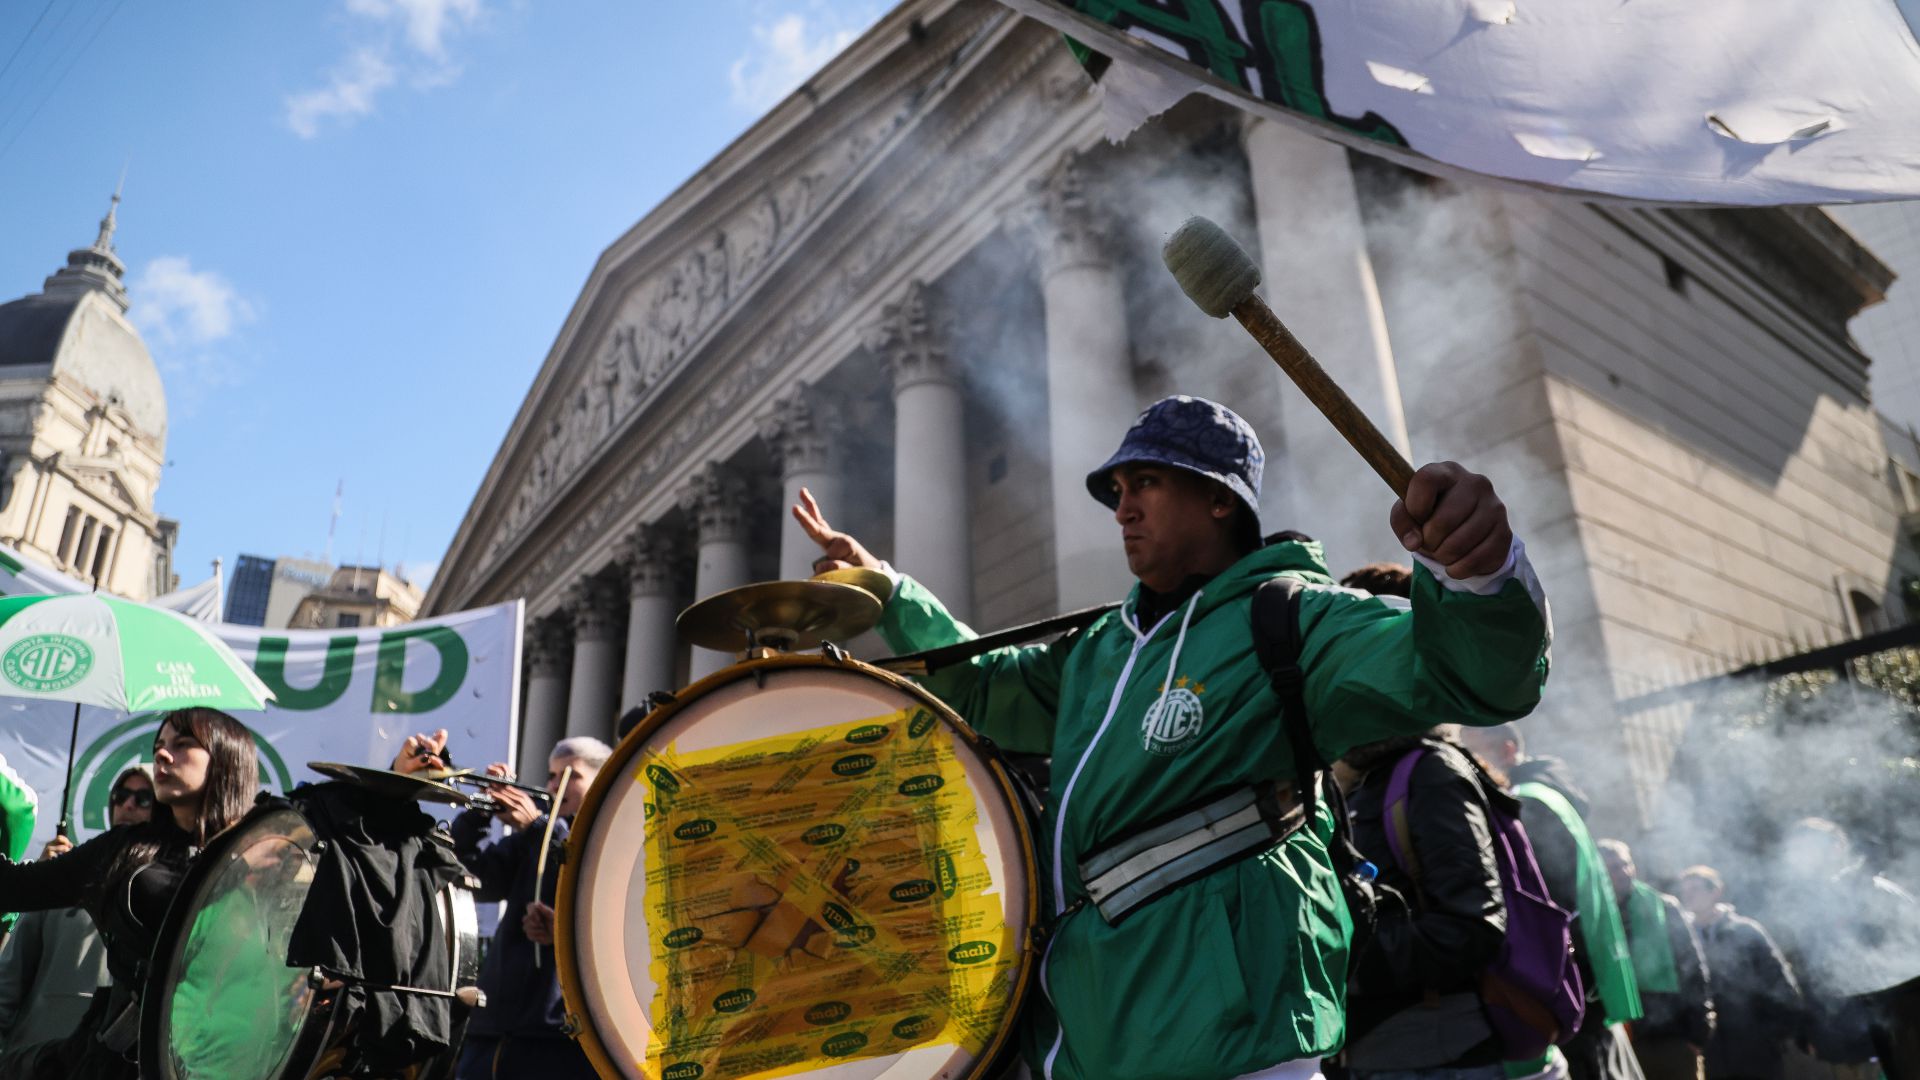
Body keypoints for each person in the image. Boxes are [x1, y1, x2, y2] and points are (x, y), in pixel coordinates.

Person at [795, 395, 1553, 1080]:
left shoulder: (1292, 618)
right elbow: (987, 686)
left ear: (1220, 499)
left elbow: (1477, 677)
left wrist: (1480, 574)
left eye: (1147, 484)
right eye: (1117, 493)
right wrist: (889, 590)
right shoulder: (1101, 648)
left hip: (1239, 1050)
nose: (1122, 508)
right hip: (1103, 1045)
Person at [0, 709, 259, 1079]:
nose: (163, 755)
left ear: (228, 758)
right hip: (114, 1061)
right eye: (159, 746)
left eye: (182, 744)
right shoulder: (125, 851)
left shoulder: (266, 857)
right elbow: (12, 888)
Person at [1335, 728, 1514, 1079]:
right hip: (1377, 1057)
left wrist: (1345, 965)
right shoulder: (1360, 781)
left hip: (1436, 1057)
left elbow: (1474, 926)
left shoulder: (1430, 773)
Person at [445, 734, 610, 1080]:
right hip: (494, 1031)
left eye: (571, 776)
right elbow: (472, 879)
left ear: (603, 777)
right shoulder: (534, 837)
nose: (554, 786)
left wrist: (537, 826)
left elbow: (581, 867)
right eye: (551, 776)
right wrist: (478, 814)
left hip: (556, 1036)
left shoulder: (607, 835)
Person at [0, 766, 153, 1052]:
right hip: (33, 1064)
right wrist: (44, 875)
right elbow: (8, 981)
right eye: (121, 795)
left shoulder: (173, 897)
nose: (128, 804)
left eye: (144, 798)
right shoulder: (67, 880)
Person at [1768, 818, 1920, 1078]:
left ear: (1837, 849)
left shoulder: (1878, 893)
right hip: (1837, 1041)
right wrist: (1809, 1030)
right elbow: (1806, 975)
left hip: (1890, 1035)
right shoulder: (1808, 907)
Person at [1596, 839, 1714, 1080]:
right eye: (1613, 867)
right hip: (1620, 1036)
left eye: (1626, 864)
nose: (1623, 872)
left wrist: (1698, 1032)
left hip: (1670, 1035)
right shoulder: (1592, 916)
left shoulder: (1664, 907)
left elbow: (1692, 968)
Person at [1675, 865, 1802, 1080]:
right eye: (1685, 891)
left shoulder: (1745, 931)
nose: (1689, 896)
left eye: (1695, 889)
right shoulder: (1682, 938)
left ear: (1716, 891)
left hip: (1756, 1043)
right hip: (1711, 1048)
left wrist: (1773, 1033)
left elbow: (1779, 983)